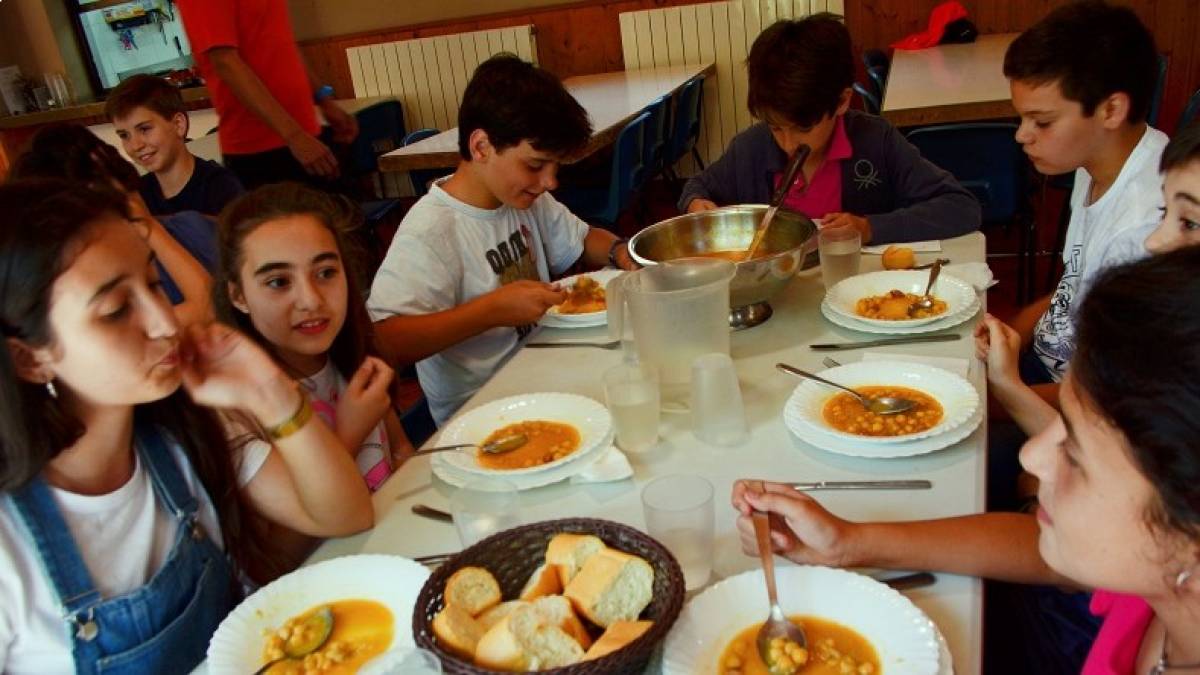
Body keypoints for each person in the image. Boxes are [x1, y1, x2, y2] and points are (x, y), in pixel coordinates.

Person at [734, 248, 1200, 675]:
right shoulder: (1146, 582)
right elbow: (1047, 556)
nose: (1031, 453)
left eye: (1076, 453)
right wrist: (847, 542)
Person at [0, 178, 373, 674]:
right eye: (116, 310)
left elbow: (345, 515)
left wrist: (273, 396)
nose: (164, 321)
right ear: (30, 359)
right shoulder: (10, 545)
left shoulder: (184, 432)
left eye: (154, 285)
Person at [367, 54, 637, 425]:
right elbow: (385, 340)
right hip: (484, 416)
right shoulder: (431, 232)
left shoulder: (523, 198)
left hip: (544, 371)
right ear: (481, 147)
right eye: (535, 165)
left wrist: (621, 251)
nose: (550, 182)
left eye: (555, 167)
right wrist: (491, 311)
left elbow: (583, 237)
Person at [678, 14, 980, 245]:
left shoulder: (876, 141)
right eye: (776, 128)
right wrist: (695, 204)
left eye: (802, 128)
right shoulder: (750, 148)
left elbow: (962, 207)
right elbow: (697, 187)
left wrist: (870, 228)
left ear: (842, 101)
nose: (788, 144)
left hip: (861, 293)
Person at [999, 0, 1164, 404]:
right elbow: (1072, 289)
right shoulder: (1094, 158)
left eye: (1042, 121)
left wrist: (994, 399)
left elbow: (1109, 400)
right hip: (1043, 372)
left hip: (1081, 404)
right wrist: (1011, 332)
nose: (1021, 135)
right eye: (1022, 118)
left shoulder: (1143, 228)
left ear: (1111, 110)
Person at [213, 183, 413, 492]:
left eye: (325, 273)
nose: (311, 300)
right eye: (279, 282)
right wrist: (350, 433)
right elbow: (294, 523)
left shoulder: (352, 355)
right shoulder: (242, 409)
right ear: (238, 296)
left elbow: (401, 452)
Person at [12, 124, 215, 327]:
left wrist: (143, 222)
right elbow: (205, 308)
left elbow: (211, 308)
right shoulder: (71, 284)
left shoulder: (189, 228)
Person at [174, 0, 359, 189]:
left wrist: (323, 98)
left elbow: (281, 42)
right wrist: (294, 136)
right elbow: (225, 63)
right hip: (263, 150)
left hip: (303, 135)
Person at [105, 74, 245, 216]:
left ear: (178, 124)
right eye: (124, 135)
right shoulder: (137, 196)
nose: (136, 145)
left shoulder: (222, 187)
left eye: (145, 129)